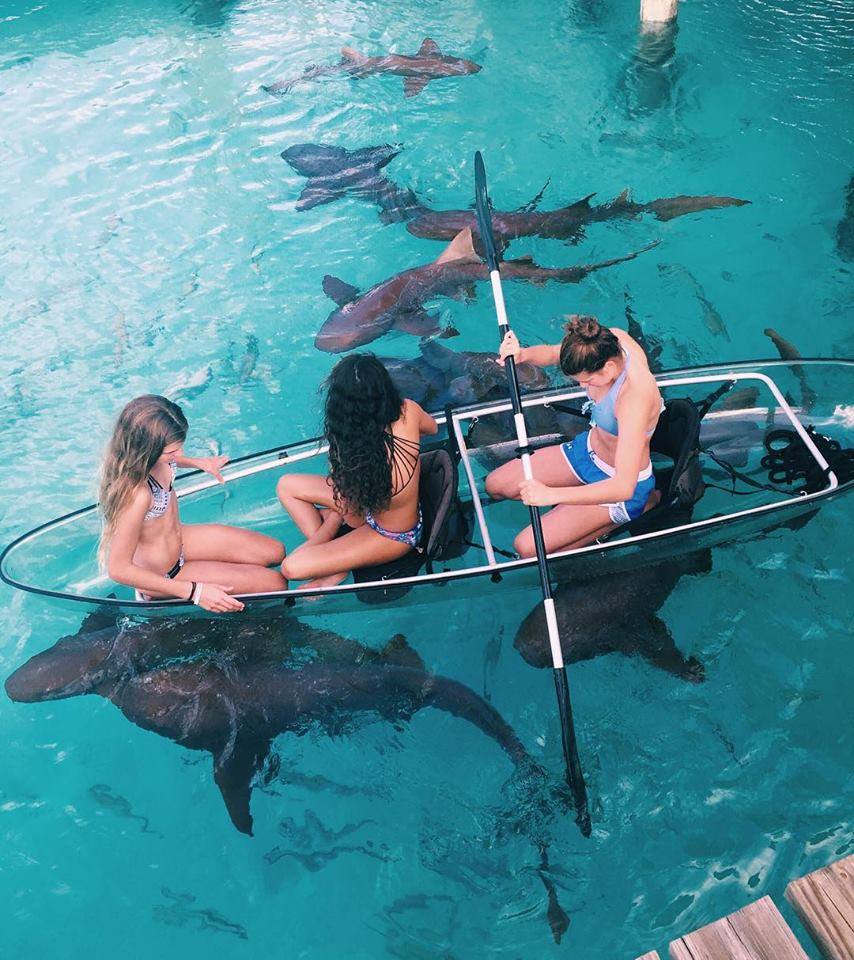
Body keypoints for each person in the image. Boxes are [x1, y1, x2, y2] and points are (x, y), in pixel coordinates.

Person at [485, 315, 663, 556]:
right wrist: (522, 355)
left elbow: (623, 486)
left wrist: (551, 494)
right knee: (494, 486)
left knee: (527, 548)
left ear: (609, 368)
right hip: (587, 453)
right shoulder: (606, 341)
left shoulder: (634, 399)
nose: (583, 387)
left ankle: (640, 507)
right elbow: (552, 353)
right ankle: (576, 504)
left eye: (586, 380)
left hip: (619, 485)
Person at [99, 395, 286, 612]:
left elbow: (172, 457)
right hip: (165, 575)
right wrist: (195, 591)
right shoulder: (137, 495)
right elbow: (118, 569)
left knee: (276, 552)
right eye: (171, 452)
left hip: (180, 541)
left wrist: (199, 462)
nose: (179, 455)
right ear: (146, 449)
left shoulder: (157, 458)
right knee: (277, 584)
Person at [277, 354, 438, 589]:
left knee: (291, 567)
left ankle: (335, 563)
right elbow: (432, 428)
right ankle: (332, 555)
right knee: (287, 485)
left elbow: (353, 515)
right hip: (375, 504)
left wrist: (333, 518)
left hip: (392, 535)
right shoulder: (408, 410)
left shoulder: (351, 451)